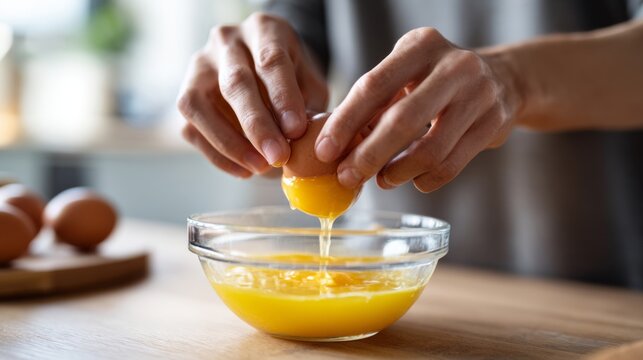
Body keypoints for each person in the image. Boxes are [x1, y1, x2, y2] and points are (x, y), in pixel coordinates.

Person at [177, 0, 643, 289]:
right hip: (378, 273)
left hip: (594, 291)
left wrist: (518, 79)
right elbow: (296, 23)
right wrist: (257, 61)